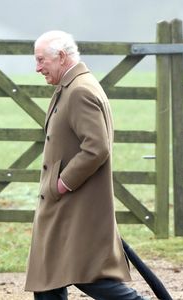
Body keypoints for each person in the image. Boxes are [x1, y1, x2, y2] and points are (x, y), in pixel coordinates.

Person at [25, 30, 147, 300]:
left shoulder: (79, 90)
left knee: (85, 275)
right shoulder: (71, 86)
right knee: (49, 274)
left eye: (41, 60)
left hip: (74, 203)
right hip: (64, 205)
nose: (37, 68)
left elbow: (96, 147)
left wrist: (62, 183)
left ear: (61, 56)